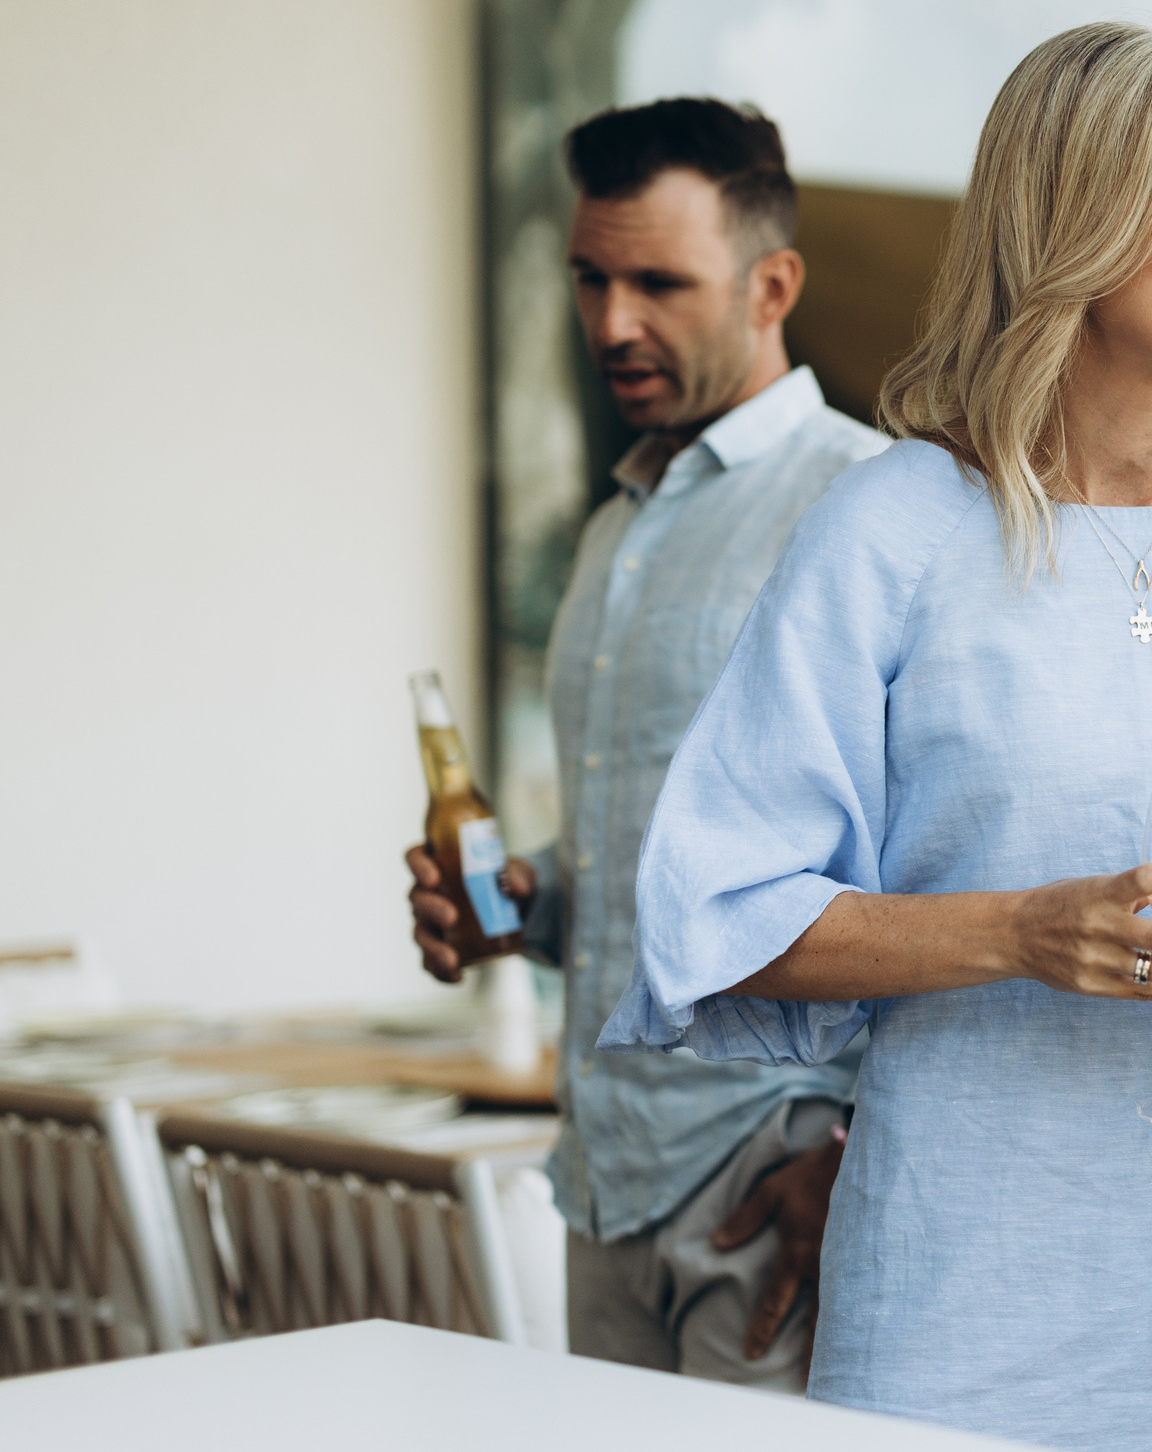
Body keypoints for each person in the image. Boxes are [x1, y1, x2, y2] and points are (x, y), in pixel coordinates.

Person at [598, 22, 1152, 1446]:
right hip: (966, 1283)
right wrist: (1019, 931)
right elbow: (723, 909)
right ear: (1066, 207)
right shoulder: (891, 527)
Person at [404, 98, 888, 1386]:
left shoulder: (867, 505)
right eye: (591, 278)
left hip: (771, 1171)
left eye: (659, 283)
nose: (612, 322)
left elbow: (943, 853)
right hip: (602, 1175)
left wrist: (856, 1155)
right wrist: (532, 897)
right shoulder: (619, 525)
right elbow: (674, 853)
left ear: (772, 282)